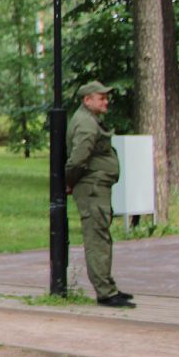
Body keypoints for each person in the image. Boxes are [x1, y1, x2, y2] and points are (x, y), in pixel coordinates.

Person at [66, 81, 132, 307]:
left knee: (101, 235)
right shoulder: (86, 124)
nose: (106, 101)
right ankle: (105, 293)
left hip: (97, 187)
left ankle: (108, 287)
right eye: (101, 97)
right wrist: (70, 181)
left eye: (106, 97)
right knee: (96, 237)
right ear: (87, 100)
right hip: (92, 188)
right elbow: (78, 159)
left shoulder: (90, 121)